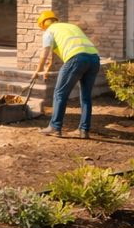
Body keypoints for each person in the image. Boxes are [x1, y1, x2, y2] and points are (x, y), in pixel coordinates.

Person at [35, 10, 100, 138]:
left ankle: (55, 127)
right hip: (94, 59)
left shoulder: (49, 31)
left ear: (43, 24)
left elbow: (45, 53)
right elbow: (53, 55)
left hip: (76, 60)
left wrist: (37, 70)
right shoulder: (71, 27)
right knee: (86, 96)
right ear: (55, 19)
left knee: (60, 93)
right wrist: (47, 68)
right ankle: (84, 130)